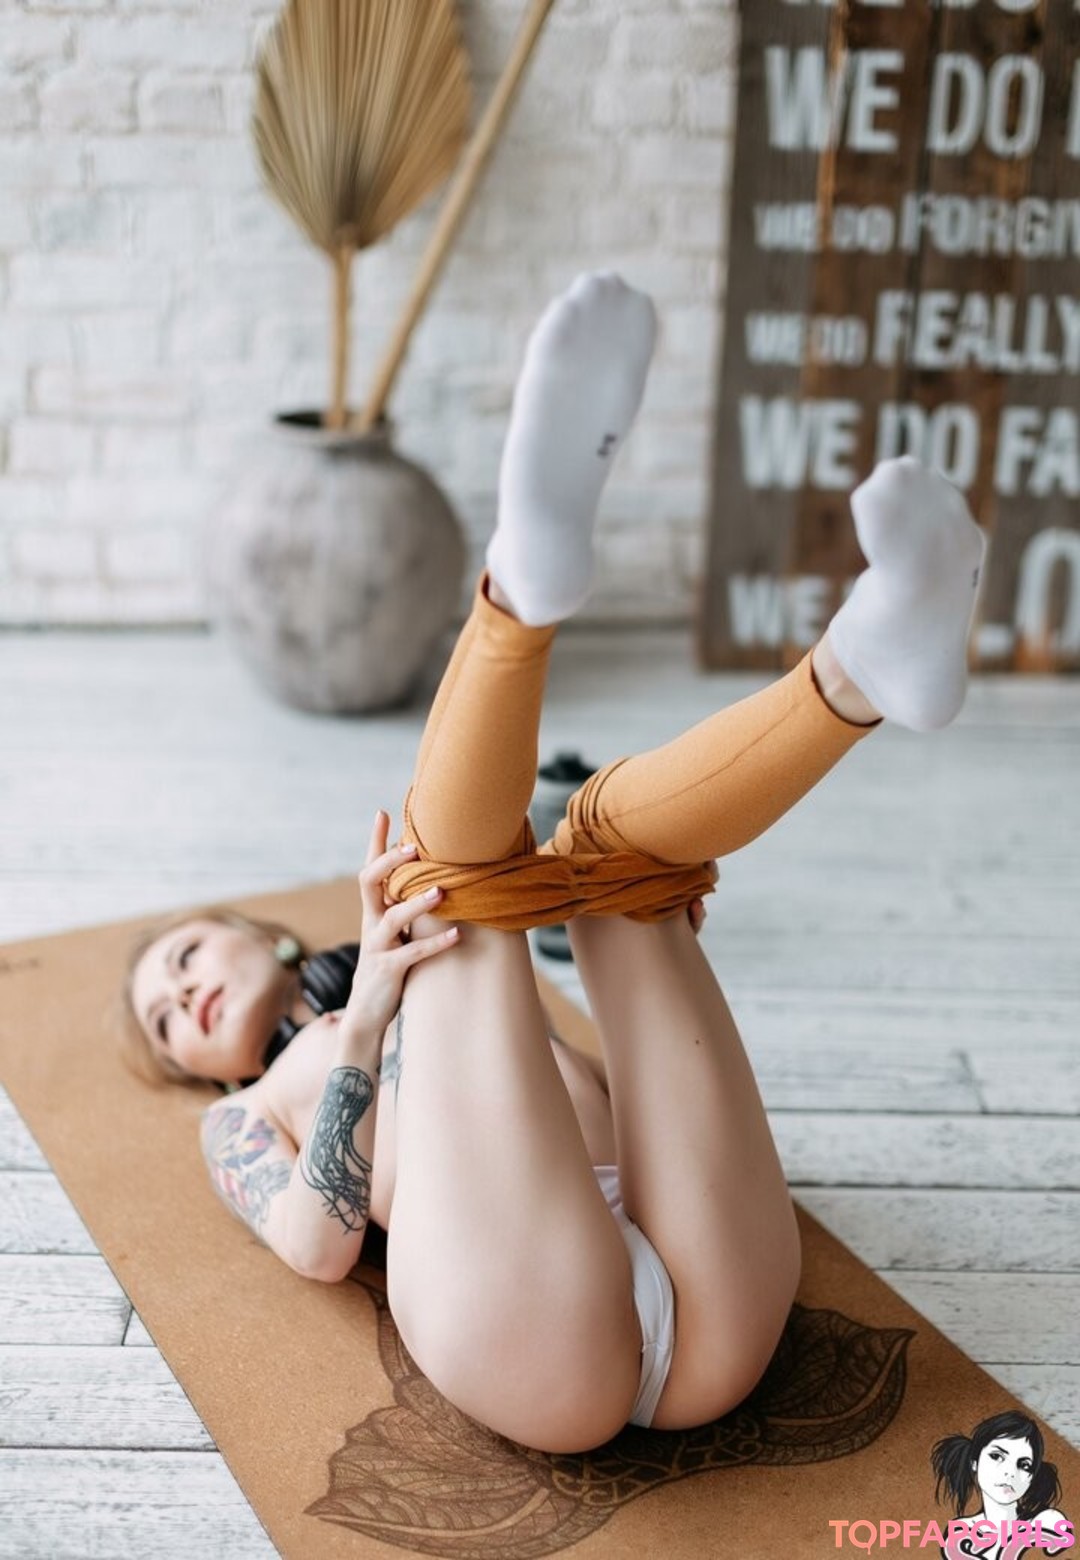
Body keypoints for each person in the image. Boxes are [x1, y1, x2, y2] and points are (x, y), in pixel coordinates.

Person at [125, 272, 987, 1455]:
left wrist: (649, 962)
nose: (181, 998)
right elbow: (319, 1247)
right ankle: (518, 592)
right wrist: (367, 1016)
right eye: (164, 1022)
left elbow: (607, 1098)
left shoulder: (458, 985)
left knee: (613, 852)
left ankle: (867, 668)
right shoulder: (239, 1115)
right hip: (532, 1338)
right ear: (194, 1069)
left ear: (257, 932)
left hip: (708, 1289)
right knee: (444, 892)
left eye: (181, 960)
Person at [931, 1410, 1069, 1559]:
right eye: (996, 1456)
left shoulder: (1047, 1521)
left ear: (1032, 1477)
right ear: (974, 1462)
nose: (1010, 1472)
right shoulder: (960, 1532)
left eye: (1024, 1465)